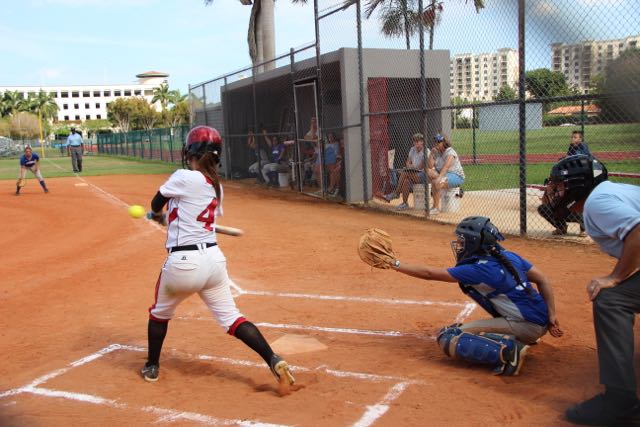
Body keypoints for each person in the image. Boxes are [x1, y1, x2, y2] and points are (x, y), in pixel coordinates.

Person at [142, 125, 295, 389]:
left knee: (159, 314)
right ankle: (272, 357)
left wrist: (157, 215)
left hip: (183, 264)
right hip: (213, 261)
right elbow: (191, 215)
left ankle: (152, 365)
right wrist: (167, 219)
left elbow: (157, 204)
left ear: (190, 150)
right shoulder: (216, 186)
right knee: (232, 319)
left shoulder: (183, 176)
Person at [390, 216, 563, 376]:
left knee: (449, 337)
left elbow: (429, 273)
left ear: (474, 243)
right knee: (464, 329)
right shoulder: (508, 257)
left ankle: (510, 352)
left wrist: (395, 264)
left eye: (462, 240)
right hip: (542, 320)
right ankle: (520, 337)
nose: (459, 244)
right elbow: (543, 280)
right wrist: (552, 315)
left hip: (527, 326)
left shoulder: (477, 269)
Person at [543, 155, 639, 425]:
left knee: (611, 300)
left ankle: (620, 401)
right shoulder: (607, 193)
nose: (555, 191)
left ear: (578, 186)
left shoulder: (597, 203)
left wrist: (615, 277)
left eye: (560, 186)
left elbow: (638, 232)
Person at [538, 131, 591, 235]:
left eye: (575, 137)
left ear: (580, 139)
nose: (573, 139)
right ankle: (561, 227)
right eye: (572, 137)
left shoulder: (583, 146)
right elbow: (569, 158)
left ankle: (583, 229)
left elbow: (582, 158)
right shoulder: (571, 147)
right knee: (545, 207)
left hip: (577, 201)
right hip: (565, 207)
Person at [384, 133, 428, 210]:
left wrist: (411, 168)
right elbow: (408, 161)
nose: (416, 143)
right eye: (414, 141)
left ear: (422, 142)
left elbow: (421, 166)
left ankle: (396, 193)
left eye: (418, 141)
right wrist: (409, 167)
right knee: (406, 181)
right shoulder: (412, 149)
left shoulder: (426, 151)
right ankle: (405, 203)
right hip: (413, 173)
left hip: (423, 175)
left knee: (405, 172)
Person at [427, 134, 465, 215]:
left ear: (444, 142)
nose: (436, 143)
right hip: (444, 175)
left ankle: (436, 207)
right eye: (435, 142)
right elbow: (430, 166)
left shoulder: (450, 152)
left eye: (439, 142)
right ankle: (435, 205)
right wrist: (431, 154)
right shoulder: (437, 152)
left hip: (456, 176)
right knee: (428, 171)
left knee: (436, 183)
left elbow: (446, 167)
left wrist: (439, 178)